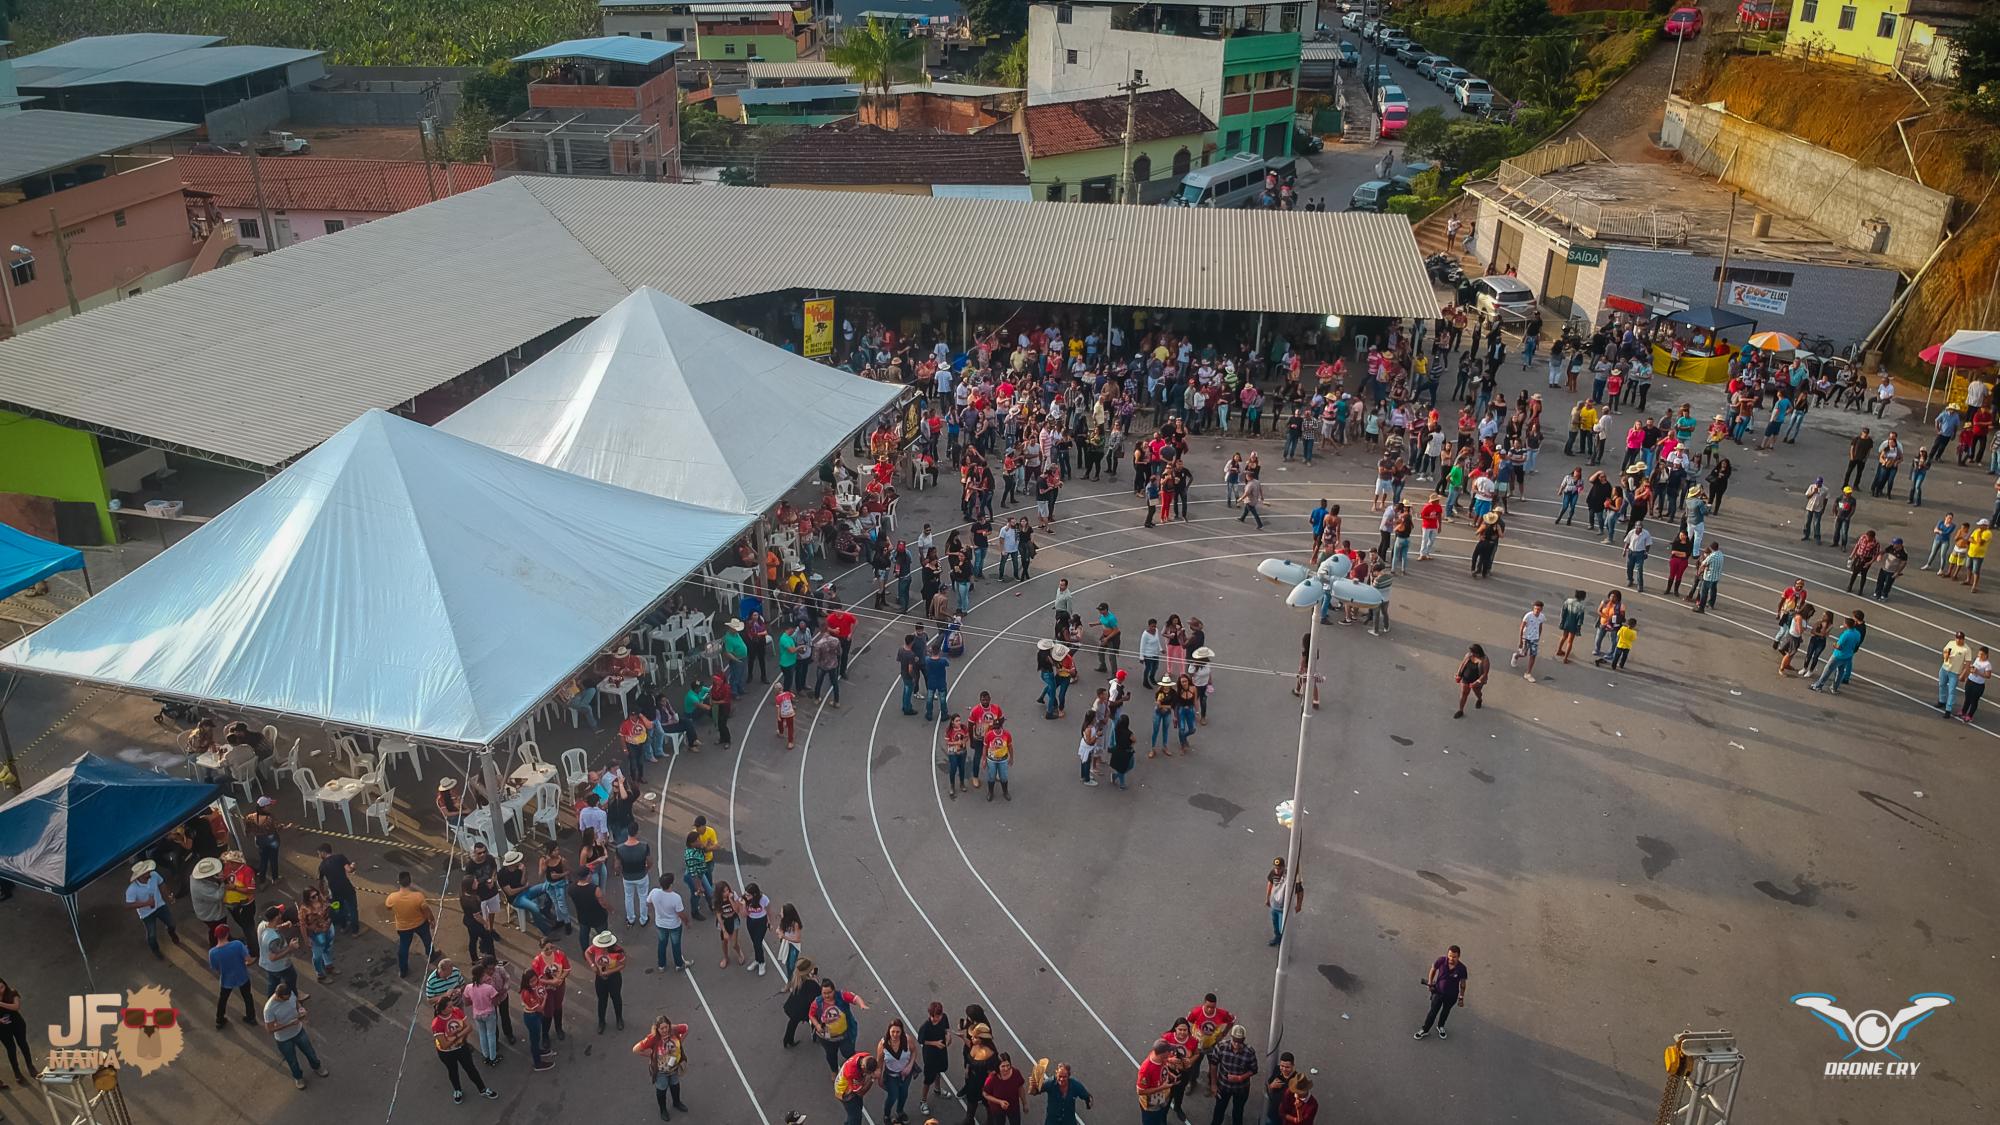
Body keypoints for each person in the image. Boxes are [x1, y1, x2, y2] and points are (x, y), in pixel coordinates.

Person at [262, 979, 329, 1090]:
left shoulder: (290, 994)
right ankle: (298, 1077)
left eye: (289, 997)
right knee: (292, 1060)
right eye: (285, 999)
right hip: (284, 1039)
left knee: (310, 1051)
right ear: (278, 996)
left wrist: (301, 1009)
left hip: (298, 1031)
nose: (288, 999)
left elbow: (296, 1002)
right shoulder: (269, 1009)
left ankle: (317, 1067)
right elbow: (269, 1029)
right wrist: (289, 1024)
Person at [432, 995, 499, 1103]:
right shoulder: (437, 1023)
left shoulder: (456, 1011)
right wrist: (458, 1036)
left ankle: (482, 1089)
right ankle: (457, 1090)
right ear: (443, 1010)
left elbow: (469, 1027)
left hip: (461, 1047)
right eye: (449, 1007)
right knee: (452, 1071)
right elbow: (444, 1045)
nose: (452, 1007)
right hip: (447, 1053)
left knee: (470, 1068)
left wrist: (457, 1037)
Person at [634, 1015, 691, 1120]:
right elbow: (636, 1049)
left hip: (674, 1068)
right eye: (662, 1028)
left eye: (666, 1027)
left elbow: (686, 1028)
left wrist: (680, 1042)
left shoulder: (674, 1031)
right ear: (657, 1029)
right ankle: (663, 1110)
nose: (665, 1030)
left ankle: (677, 1103)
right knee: (661, 1090)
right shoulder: (652, 1039)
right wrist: (652, 1054)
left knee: (675, 1085)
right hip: (661, 1071)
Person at [811, 978, 870, 1073]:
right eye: (824, 993)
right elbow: (811, 1015)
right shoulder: (817, 1003)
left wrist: (861, 1004)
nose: (827, 995)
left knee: (848, 1052)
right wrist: (817, 1025)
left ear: (834, 990)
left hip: (845, 1034)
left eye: (829, 992)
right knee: (831, 1055)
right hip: (827, 1037)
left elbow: (854, 998)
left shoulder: (842, 996)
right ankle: (834, 1071)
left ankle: (855, 1063)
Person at [385, 870, 435, 979]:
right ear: (410, 882)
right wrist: (431, 919)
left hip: (403, 927)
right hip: (420, 923)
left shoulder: (392, 897)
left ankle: (403, 970)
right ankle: (431, 955)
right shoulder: (418, 896)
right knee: (427, 940)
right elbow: (426, 909)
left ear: (398, 882)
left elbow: (388, 907)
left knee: (403, 947)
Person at [206, 922, 257, 1028]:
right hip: (242, 976)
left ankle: (219, 1019)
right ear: (227, 934)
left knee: (223, 999)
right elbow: (249, 959)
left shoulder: (212, 953)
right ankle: (251, 1017)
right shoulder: (237, 945)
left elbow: (215, 968)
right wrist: (246, 962)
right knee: (247, 997)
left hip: (226, 979)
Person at [1413, 945, 1469, 1040]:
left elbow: (1462, 984)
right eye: (1450, 956)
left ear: (1459, 956)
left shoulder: (1462, 969)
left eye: (1454, 956)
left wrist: (1461, 998)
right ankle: (1425, 1030)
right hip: (1438, 993)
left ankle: (1440, 1026)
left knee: (1445, 1012)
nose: (1451, 958)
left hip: (1451, 996)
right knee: (1432, 1012)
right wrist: (1430, 982)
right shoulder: (1441, 960)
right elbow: (1433, 969)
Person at [125, 860, 179, 959]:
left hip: (160, 906)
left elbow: (161, 884)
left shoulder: (154, 875)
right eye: (146, 872)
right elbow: (128, 905)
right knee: (152, 935)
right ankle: (155, 950)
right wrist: (146, 903)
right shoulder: (132, 889)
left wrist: (168, 896)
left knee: (172, 924)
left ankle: (171, 933)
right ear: (140, 875)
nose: (149, 872)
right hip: (146, 914)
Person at [1209, 1026, 1259, 1125]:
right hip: (1223, 1086)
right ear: (1231, 1037)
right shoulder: (1221, 1047)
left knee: (1238, 1113)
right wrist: (1213, 1084)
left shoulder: (1249, 1052)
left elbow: (1254, 1070)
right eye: (1235, 1040)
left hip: (1241, 1089)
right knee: (1218, 1111)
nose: (1236, 1044)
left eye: (1239, 1041)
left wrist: (1241, 1078)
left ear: (1243, 1040)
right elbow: (1213, 1065)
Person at [645, 873, 689, 971]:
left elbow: (648, 903)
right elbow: (680, 913)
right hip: (674, 925)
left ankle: (661, 965)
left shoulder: (654, 892)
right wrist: (686, 922)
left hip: (660, 923)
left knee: (662, 944)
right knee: (676, 945)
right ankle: (679, 964)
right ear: (671, 884)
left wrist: (656, 910)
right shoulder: (676, 897)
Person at [877, 1017, 917, 1124]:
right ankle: (887, 1115)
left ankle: (900, 1111)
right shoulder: (883, 1045)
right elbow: (879, 1062)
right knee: (893, 1096)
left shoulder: (907, 1040)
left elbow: (914, 1052)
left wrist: (909, 1066)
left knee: (903, 1094)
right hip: (891, 1076)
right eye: (893, 1031)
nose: (895, 1034)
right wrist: (879, 1078)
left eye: (898, 1032)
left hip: (905, 1074)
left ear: (902, 1031)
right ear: (889, 1031)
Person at [917, 1001, 953, 1116]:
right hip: (930, 1054)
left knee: (939, 1070)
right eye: (933, 1016)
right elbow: (921, 1040)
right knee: (928, 1078)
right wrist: (934, 1043)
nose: (935, 1018)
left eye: (937, 1016)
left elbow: (946, 1029)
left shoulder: (944, 1018)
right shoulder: (925, 1026)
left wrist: (948, 1036)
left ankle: (937, 1089)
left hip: (941, 1050)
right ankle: (923, 1101)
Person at [1265, 856, 1304, 948]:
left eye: (1279, 868)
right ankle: (1277, 938)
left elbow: (1300, 891)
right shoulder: (1273, 873)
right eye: (1275, 868)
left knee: (1284, 928)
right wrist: (1267, 898)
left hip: (1285, 908)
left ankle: (1285, 948)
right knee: (1275, 925)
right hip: (1274, 905)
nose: (1277, 870)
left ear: (1283, 867)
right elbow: (1270, 884)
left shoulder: (1290, 878)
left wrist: (1299, 905)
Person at [1136, 1039, 1176, 1125]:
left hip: (1163, 1095)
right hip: (1152, 1102)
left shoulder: (1158, 1055)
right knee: (1151, 1121)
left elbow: (1163, 1065)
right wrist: (1162, 1087)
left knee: (1160, 1115)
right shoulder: (1145, 1070)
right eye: (1168, 1051)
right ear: (1162, 1054)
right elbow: (1140, 1091)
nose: (1170, 1053)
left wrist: (1169, 1073)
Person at [836, 1051, 881, 1125]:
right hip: (845, 1091)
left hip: (854, 1084)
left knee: (859, 1107)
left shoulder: (866, 1057)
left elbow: (876, 1065)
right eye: (868, 1073)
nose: (868, 1074)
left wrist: (876, 1070)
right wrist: (872, 1079)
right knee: (856, 1117)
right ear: (863, 1067)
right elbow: (860, 1093)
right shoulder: (852, 1072)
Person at [984, 1053, 1028, 1125]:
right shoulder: (992, 1078)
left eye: (1008, 1065)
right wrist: (1000, 1102)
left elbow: (1020, 1088)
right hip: (997, 1109)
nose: (1006, 1069)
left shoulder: (1016, 1073)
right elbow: (985, 1094)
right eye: (1003, 1066)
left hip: (1014, 1107)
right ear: (998, 1067)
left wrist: (1025, 1103)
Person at [1452, 644, 1490, 719]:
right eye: (1471, 652)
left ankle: (1479, 699)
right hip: (1466, 678)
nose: (1471, 654)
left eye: (1473, 652)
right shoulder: (1468, 655)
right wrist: (1458, 674)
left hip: (1476, 680)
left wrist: (1477, 682)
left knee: (1477, 692)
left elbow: (1485, 674)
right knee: (1464, 694)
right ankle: (1460, 710)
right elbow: (1462, 664)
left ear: (1478, 652)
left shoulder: (1484, 660)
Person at [1512, 600, 1545, 683]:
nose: (1537, 611)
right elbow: (1521, 627)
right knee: (1523, 654)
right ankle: (1516, 656)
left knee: (1533, 655)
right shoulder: (1528, 616)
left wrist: (1538, 636)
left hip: (1535, 638)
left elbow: (1540, 626)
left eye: (1539, 609)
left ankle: (1528, 673)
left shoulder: (1542, 617)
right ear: (1533, 608)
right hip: (1526, 637)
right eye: (1536, 609)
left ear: (1541, 609)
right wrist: (1520, 640)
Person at [1959, 645, 1991, 722]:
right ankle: (1963, 711)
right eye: (1979, 654)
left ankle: (1970, 715)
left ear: (1986, 655)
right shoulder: (1977, 659)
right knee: (1967, 698)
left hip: (1978, 685)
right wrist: (1971, 669)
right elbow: (1973, 667)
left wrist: (1978, 672)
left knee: (1974, 700)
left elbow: (1988, 675)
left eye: (1981, 654)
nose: (1979, 655)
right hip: (1970, 681)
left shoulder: (1987, 664)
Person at [1555, 590, 1587, 664]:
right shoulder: (1581, 607)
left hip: (1566, 622)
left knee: (1563, 637)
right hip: (1574, 624)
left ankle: (1558, 650)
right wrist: (1578, 629)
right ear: (1582, 597)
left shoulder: (1568, 601)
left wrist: (1562, 621)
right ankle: (1565, 658)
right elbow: (1580, 620)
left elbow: (1563, 612)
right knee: (1570, 641)